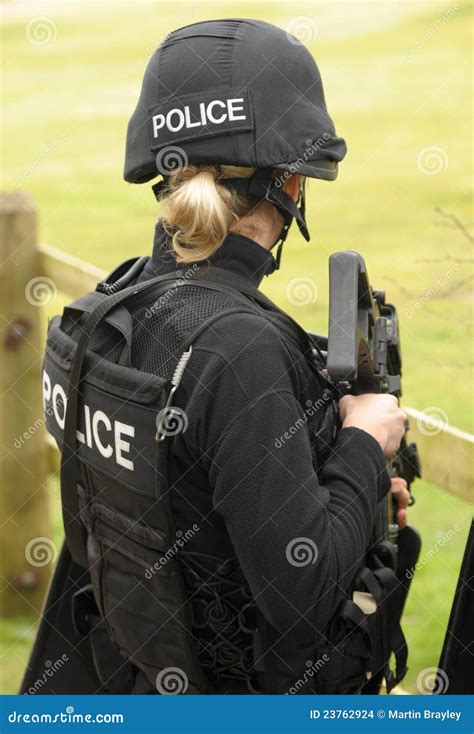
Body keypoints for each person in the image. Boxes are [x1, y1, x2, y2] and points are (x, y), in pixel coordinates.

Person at [34, 19, 410, 696]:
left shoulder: (106, 315)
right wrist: (362, 446)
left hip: (138, 681)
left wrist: (337, 492)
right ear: (291, 187)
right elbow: (300, 591)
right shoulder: (239, 351)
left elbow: (187, 499)